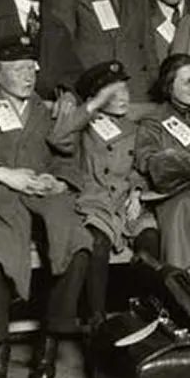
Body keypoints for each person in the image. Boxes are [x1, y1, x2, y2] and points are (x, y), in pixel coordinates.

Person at [0, 36, 92, 378]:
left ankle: (48, 342)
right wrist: (6, 174)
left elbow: (68, 158)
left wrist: (58, 181)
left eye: (30, 67)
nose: (27, 75)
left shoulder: (45, 112)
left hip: (43, 197)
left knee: (77, 243)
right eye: (16, 69)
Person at [49, 61, 144, 326]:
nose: (123, 97)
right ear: (96, 97)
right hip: (94, 203)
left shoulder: (135, 129)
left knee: (150, 239)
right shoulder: (83, 127)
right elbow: (58, 139)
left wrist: (137, 193)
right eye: (113, 93)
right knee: (97, 242)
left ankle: (145, 317)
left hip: (127, 203)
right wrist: (90, 107)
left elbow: (141, 166)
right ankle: (97, 320)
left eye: (125, 90)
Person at [134, 54, 190, 268]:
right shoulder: (155, 121)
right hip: (172, 195)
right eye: (187, 81)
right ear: (169, 86)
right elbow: (147, 159)